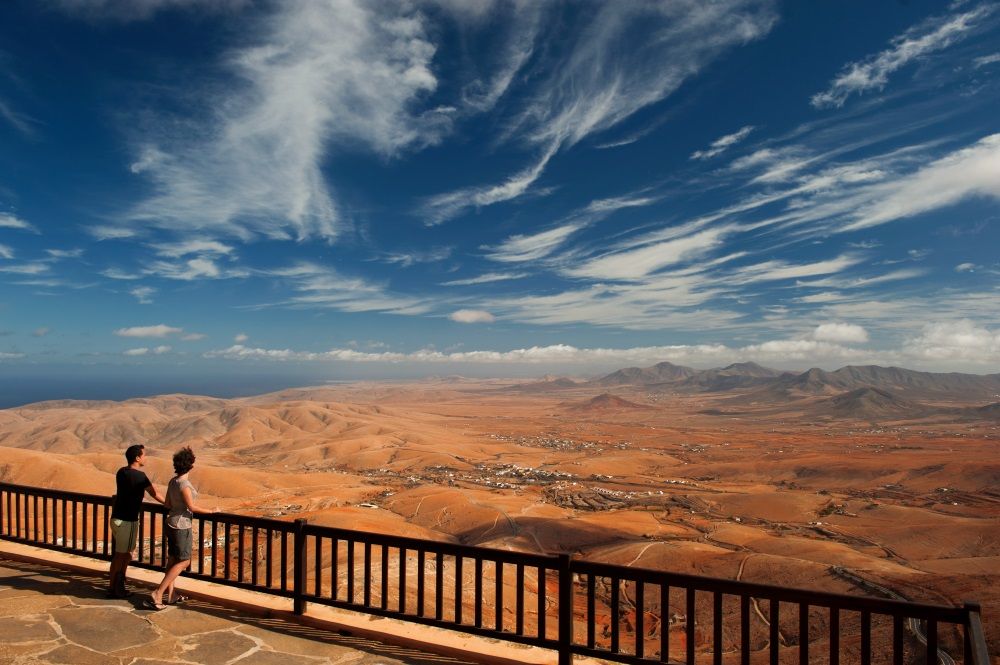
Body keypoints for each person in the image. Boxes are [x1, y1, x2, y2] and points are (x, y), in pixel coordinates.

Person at [147, 446, 211, 610]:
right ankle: (158, 592)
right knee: (184, 561)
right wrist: (212, 511)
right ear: (191, 465)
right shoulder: (184, 485)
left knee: (173, 560)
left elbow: (167, 504)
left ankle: (172, 595)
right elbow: (192, 507)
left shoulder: (173, 482)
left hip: (170, 523)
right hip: (181, 526)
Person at [109, 443, 164, 598]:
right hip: (128, 521)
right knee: (123, 555)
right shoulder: (140, 476)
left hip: (116, 518)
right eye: (143, 455)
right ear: (137, 457)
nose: (145, 457)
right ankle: (115, 588)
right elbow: (154, 493)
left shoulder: (121, 472)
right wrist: (169, 504)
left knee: (120, 555)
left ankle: (114, 585)